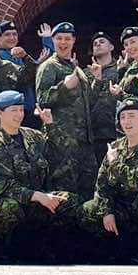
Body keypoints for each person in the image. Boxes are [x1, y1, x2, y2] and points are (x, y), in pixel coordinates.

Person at [0, 90, 78, 263]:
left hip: (34, 201)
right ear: (0, 113)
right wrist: (37, 196)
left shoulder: (31, 135)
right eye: (13, 111)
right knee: (6, 209)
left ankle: (39, 247)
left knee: (68, 201)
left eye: (21, 110)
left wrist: (50, 124)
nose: (19, 115)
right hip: (10, 200)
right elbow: (2, 183)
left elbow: (62, 150)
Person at [80, 97, 138, 266]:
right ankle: (115, 248)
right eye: (123, 117)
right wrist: (107, 212)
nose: (127, 121)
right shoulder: (115, 147)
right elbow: (101, 186)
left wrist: (115, 163)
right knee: (89, 209)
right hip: (122, 210)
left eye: (131, 116)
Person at [35, 22, 100, 200]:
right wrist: (64, 87)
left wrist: (96, 81)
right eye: (59, 39)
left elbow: (87, 103)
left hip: (84, 142)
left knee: (88, 194)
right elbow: (41, 100)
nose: (63, 42)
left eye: (67, 39)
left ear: (73, 41)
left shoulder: (76, 68)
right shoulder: (49, 66)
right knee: (63, 195)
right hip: (61, 142)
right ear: (53, 40)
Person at [0, 20, 54, 128]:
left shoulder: (19, 56)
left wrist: (47, 39)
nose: (12, 37)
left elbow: (45, 64)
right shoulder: (0, 56)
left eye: (14, 34)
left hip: (28, 112)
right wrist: (36, 63)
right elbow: (26, 75)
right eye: (7, 35)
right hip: (12, 112)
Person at [83, 31, 121, 167]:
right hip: (94, 133)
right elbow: (83, 101)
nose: (98, 44)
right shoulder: (85, 73)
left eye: (102, 42)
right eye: (95, 44)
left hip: (118, 131)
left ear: (111, 47)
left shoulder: (121, 69)